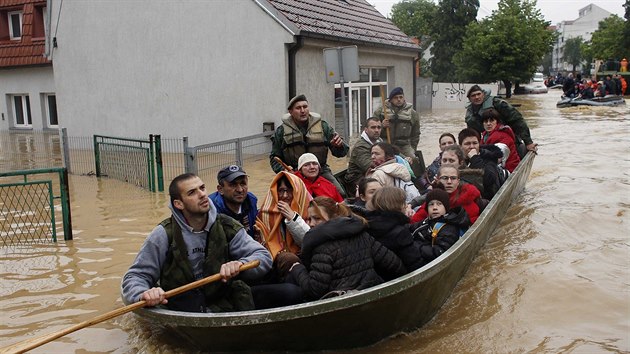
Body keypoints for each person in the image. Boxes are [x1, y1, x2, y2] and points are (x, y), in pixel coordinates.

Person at [121, 173, 272, 312]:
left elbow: (263, 256)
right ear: (178, 204)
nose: (202, 195)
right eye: (192, 192)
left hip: (221, 297)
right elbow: (135, 277)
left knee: (289, 292)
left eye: (202, 188)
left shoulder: (227, 226)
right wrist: (144, 294)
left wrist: (240, 264)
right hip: (182, 304)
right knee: (192, 301)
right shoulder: (163, 234)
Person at [277, 197, 406, 301]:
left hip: (343, 301)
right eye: (309, 219)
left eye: (317, 218)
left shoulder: (322, 248)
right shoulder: (362, 234)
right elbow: (394, 264)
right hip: (371, 292)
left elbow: (314, 291)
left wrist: (297, 268)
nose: (311, 224)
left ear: (333, 217)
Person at [270, 94, 349, 196]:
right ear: (290, 112)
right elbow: (274, 158)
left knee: (340, 194)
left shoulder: (323, 126)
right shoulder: (281, 131)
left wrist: (339, 145)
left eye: (305, 107)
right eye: (298, 108)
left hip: (320, 171)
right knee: (287, 197)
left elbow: (341, 153)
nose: (303, 111)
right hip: (294, 173)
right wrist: (284, 171)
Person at [465, 85, 537, 156]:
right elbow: (472, 134)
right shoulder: (470, 114)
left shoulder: (498, 103)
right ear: (469, 98)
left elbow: (517, 120)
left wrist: (528, 142)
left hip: (509, 139)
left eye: (478, 94)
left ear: (483, 94)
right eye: (473, 95)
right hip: (488, 142)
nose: (477, 97)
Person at [365, 187, 424, 272]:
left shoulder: (372, 225)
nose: (406, 205)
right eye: (403, 202)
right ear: (396, 205)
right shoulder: (400, 232)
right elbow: (415, 263)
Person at [255, 171, 312, 258]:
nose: (285, 195)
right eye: (281, 190)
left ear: (298, 191)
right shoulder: (266, 213)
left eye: (289, 190)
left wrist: (293, 218)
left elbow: (309, 241)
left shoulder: (309, 210)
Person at [410, 186, 470, 267]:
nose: (435, 208)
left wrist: (414, 247)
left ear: (445, 208)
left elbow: (440, 253)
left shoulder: (449, 228)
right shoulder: (428, 221)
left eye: (439, 204)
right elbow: (413, 227)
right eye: (431, 204)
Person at [410, 164, 482, 225]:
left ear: (458, 181)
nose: (449, 182)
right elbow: (414, 221)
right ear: (437, 180)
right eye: (445, 178)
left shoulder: (469, 195)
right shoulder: (434, 200)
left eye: (453, 178)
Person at [209, 165, 258, 238]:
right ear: (220, 189)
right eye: (233, 185)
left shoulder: (251, 201)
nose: (240, 190)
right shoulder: (211, 209)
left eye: (243, 183)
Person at [373, 87, 420, 159]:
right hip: (385, 143)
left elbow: (416, 134)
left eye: (401, 97)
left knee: (413, 159)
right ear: (391, 99)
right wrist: (382, 126)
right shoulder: (381, 111)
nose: (399, 99)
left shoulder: (412, 113)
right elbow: (372, 129)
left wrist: (413, 148)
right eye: (395, 98)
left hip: (404, 145)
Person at [458, 128, 504, 200]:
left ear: (479, 144)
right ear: (460, 146)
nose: (472, 146)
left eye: (475, 143)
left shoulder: (489, 158)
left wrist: (474, 158)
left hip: (485, 198)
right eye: (467, 144)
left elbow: (489, 180)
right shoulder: (456, 159)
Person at [345, 117, 383, 189]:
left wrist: (404, 159)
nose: (377, 130)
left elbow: (391, 152)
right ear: (366, 129)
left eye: (379, 127)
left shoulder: (379, 141)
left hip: (370, 176)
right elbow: (371, 166)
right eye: (373, 127)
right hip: (356, 181)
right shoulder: (360, 146)